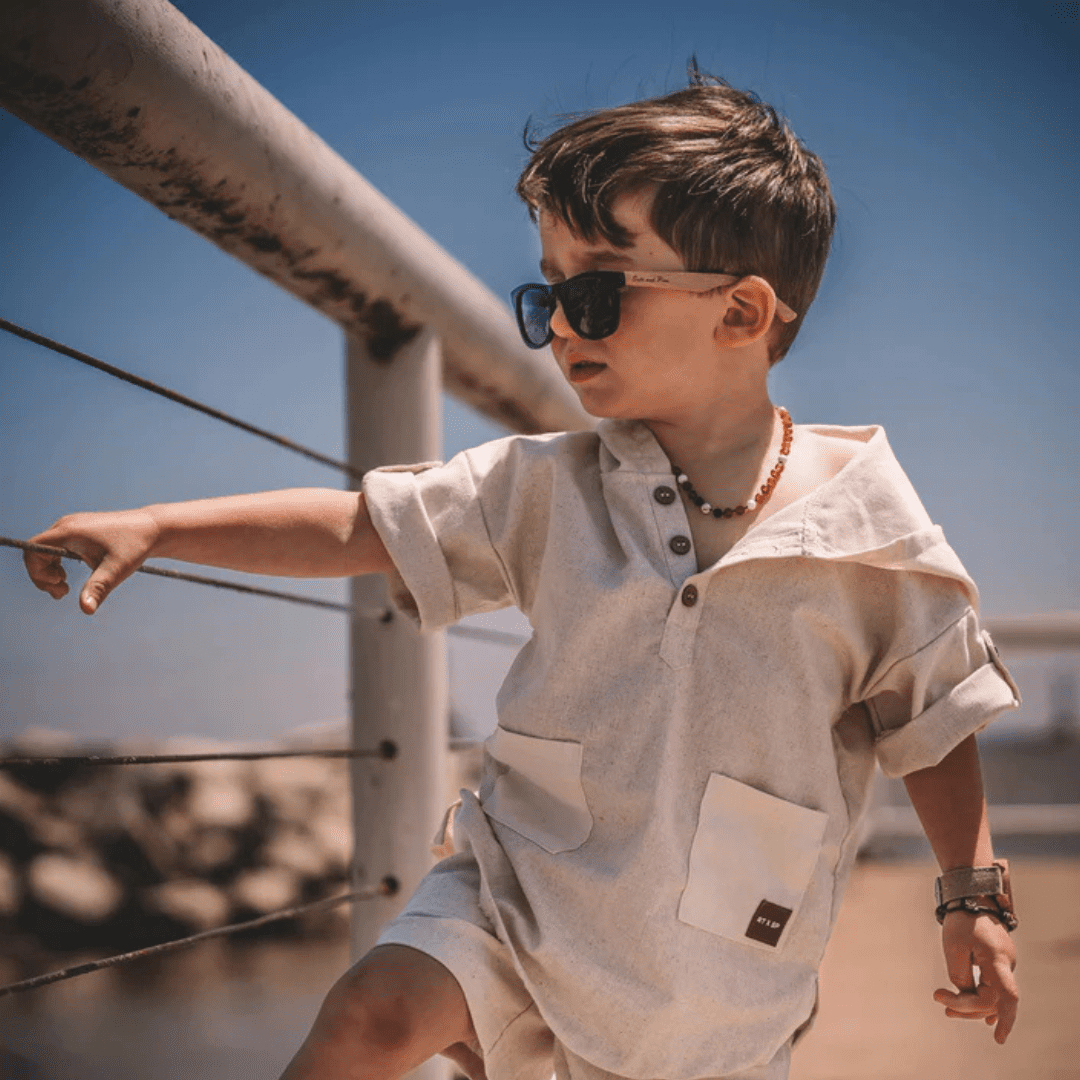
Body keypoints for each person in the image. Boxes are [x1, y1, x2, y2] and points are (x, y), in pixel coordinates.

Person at [24, 69, 1021, 1080]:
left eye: (595, 293)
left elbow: (933, 720)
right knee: (370, 1016)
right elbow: (359, 527)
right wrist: (160, 526)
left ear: (740, 313)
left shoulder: (869, 530)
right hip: (520, 891)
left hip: (714, 967)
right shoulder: (546, 486)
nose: (562, 327)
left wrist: (971, 896)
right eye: (546, 296)